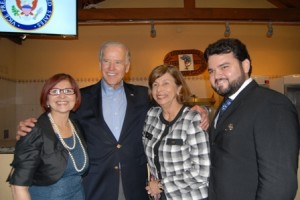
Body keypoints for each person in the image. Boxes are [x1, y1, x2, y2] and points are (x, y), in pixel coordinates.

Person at [16, 41, 210, 200]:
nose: (111, 68)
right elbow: (57, 117)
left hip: (137, 187)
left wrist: (196, 109)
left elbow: (170, 106)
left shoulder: (144, 96)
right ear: (100, 64)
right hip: (96, 187)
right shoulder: (80, 98)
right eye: (106, 61)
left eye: (118, 62)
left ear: (127, 67)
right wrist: (32, 126)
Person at [204, 38, 300, 200]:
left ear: (245, 65)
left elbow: (279, 184)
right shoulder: (227, 104)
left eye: (224, 67)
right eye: (211, 71)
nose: (217, 75)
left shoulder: (270, 104)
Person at [7, 73, 89, 200]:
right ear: (46, 99)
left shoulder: (76, 126)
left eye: (68, 90)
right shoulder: (34, 131)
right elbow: (18, 186)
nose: (62, 95)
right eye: (55, 91)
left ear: (76, 97)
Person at [143, 64, 210, 200]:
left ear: (179, 88)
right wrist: (154, 183)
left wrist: (161, 185)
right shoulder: (151, 115)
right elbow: (151, 159)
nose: (159, 89)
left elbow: (202, 173)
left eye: (165, 83)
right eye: (155, 84)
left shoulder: (192, 119)